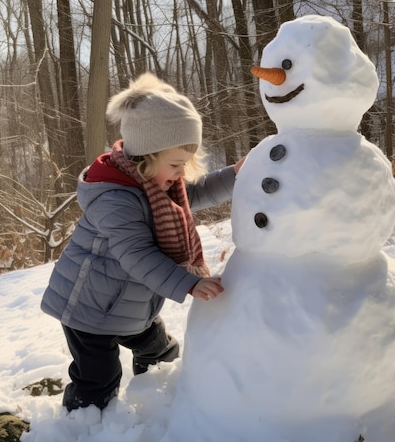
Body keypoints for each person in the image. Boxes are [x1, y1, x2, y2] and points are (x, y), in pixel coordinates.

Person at [41, 72, 244, 412]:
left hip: (130, 307)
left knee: (160, 354)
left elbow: (196, 192)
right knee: (98, 378)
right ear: (147, 157)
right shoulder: (114, 198)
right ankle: (82, 427)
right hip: (89, 311)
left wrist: (236, 175)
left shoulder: (157, 185)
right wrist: (189, 283)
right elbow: (137, 256)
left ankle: (154, 401)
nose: (182, 175)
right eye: (177, 164)